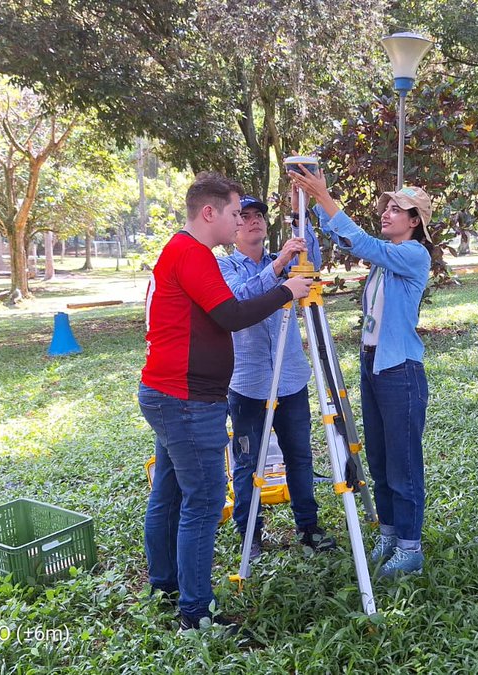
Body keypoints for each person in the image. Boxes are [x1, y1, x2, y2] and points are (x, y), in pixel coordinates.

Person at [139, 172, 314, 631]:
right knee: (202, 500)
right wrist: (285, 291)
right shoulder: (193, 254)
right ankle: (195, 612)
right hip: (186, 398)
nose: (241, 221)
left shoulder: (182, 251)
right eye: (236, 213)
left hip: (170, 393)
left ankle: (164, 584)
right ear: (210, 213)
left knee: (171, 491)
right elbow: (232, 315)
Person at [289, 166, 432, 578]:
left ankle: (410, 547)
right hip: (374, 366)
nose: (387, 212)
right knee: (380, 456)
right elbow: (347, 239)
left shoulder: (412, 254)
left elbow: (364, 243)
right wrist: (309, 207)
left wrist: (324, 195)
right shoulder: (385, 262)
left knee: (403, 461)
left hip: (401, 369)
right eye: (386, 206)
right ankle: (389, 532)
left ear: (415, 221)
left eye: (398, 209)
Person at [217, 191, 337, 558]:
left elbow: (311, 263)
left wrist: (301, 223)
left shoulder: (285, 262)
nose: (253, 220)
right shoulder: (225, 267)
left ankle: (308, 527)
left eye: (259, 216)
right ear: (234, 226)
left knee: (299, 455)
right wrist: (278, 266)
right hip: (247, 384)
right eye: (246, 215)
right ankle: (250, 532)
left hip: (290, 380)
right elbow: (239, 299)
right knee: (247, 461)